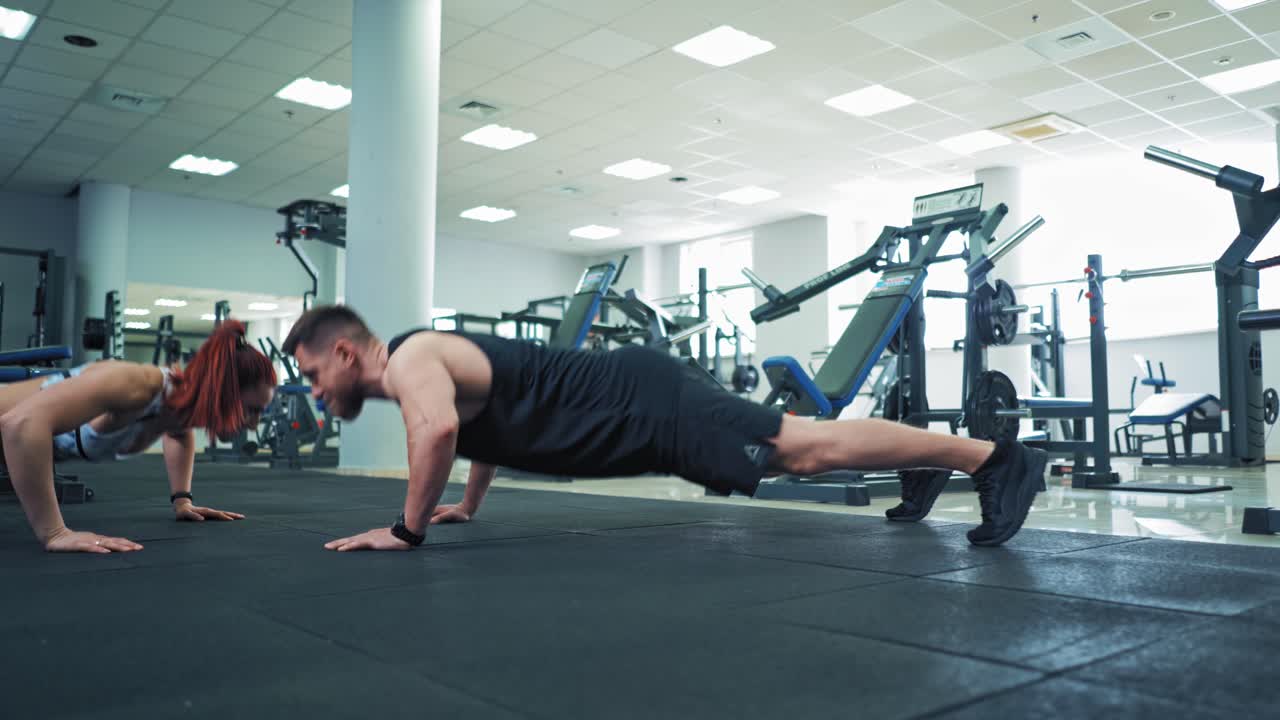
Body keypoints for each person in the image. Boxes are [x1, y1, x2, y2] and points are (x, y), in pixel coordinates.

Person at [283, 305, 1047, 553]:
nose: (317, 392)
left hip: (641, 405)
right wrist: (469, 505)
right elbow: (484, 428)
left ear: (347, 353)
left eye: (316, 375)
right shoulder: (425, 362)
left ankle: (994, 460)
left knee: (803, 449)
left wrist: (408, 529)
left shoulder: (413, 360)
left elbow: (440, 431)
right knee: (797, 452)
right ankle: (936, 459)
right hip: (637, 410)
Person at [1, 321, 276, 553]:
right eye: (252, 409)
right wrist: (55, 533)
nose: (253, 424)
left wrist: (182, 500)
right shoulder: (137, 384)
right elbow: (19, 424)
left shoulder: (178, 406)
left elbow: (179, 433)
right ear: (222, 392)